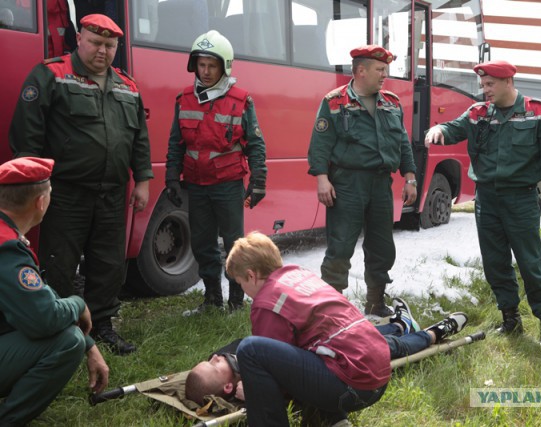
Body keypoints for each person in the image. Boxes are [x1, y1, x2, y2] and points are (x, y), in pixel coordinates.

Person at [195, 232, 466, 426]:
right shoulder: (301, 275)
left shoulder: (267, 303)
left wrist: (256, 390)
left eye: (242, 284)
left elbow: (277, 375)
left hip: (352, 385)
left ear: (251, 275)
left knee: (251, 349)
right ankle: (333, 417)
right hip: (378, 376)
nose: (246, 292)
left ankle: (331, 412)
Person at [9, 14, 154, 355]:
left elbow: (139, 138)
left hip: (112, 192)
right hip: (65, 192)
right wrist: (32, 185)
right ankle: (61, 330)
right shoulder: (51, 74)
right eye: (96, 42)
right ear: (79, 40)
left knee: (108, 263)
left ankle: (102, 325)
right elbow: (27, 134)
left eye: (110, 45)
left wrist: (143, 180)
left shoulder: (127, 86)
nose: (103, 51)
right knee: (59, 262)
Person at [424, 60, 541, 345]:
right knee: (494, 262)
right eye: (483, 85)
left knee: (530, 263)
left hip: (520, 199)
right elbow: (453, 127)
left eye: (490, 84)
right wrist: (438, 130)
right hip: (487, 200)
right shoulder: (478, 114)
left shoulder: (536, 113)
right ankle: (510, 319)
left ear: (508, 83)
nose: (484, 90)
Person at [185, 299, 468, 408]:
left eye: (211, 357)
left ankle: (399, 324)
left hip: (317, 343)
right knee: (385, 350)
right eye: (213, 364)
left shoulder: (235, 356)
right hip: (326, 365)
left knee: (363, 335)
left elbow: (240, 344)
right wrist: (263, 392)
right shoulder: (248, 392)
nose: (215, 357)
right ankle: (433, 332)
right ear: (227, 386)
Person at [307, 45, 417, 317]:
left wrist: (410, 177)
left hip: (381, 184)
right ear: (360, 71)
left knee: (381, 246)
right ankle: (330, 311)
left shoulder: (391, 102)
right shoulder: (334, 102)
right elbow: (320, 144)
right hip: (347, 184)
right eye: (379, 70)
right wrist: (322, 179)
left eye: (385, 70)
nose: (384, 76)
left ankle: (376, 303)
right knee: (340, 246)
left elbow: (402, 142)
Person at [0, 157, 109, 425]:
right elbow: (43, 318)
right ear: (41, 202)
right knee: (68, 340)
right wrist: (79, 304)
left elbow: (35, 299)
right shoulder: (8, 248)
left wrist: (90, 345)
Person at [165, 30, 267, 316]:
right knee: (201, 243)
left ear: (225, 66)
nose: (206, 71)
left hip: (228, 184)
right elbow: (176, 143)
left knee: (235, 245)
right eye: (201, 65)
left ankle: (236, 302)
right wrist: (172, 177)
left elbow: (256, 144)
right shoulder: (184, 99)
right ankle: (212, 299)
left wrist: (258, 180)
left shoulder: (241, 100)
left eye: (212, 65)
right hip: (196, 185)